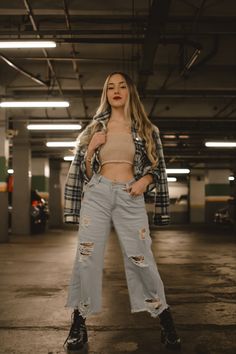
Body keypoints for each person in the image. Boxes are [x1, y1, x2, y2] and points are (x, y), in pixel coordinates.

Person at [63, 72, 181, 351]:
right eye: (110, 87)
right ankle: (79, 323)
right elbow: (85, 173)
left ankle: (165, 320)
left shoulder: (147, 129)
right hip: (98, 193)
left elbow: (157, 168)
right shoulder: (93, 129)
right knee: (87, 258)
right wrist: (90, 150)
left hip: (130, 194)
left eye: (122, 86)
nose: (116, 91)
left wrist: (145, 180)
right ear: (106, 94)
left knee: (142, 258)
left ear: (130, 92)